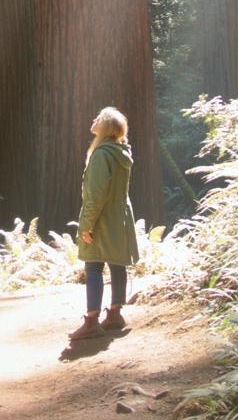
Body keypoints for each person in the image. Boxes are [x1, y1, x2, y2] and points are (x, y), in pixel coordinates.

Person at [70, 106, 139, 340]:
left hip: (102, 219)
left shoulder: (101, 155)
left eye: (98, 118)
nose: (93, 120)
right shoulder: (121, 152)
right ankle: (115, 314)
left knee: (93, 266)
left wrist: (86, 225)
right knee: (117, 263)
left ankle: (91, 320)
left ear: (106, 126)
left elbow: (97, 194)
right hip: (119, 216)